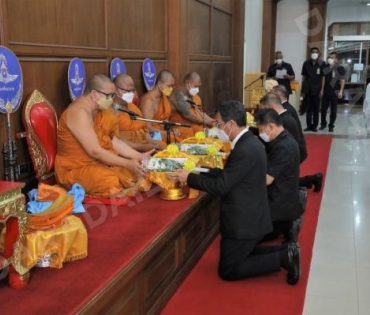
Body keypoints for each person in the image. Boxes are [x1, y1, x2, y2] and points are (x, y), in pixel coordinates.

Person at [168, 100, 300, 285]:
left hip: (244, 219)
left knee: (228, 270)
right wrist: (201, 170)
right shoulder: (248, 142)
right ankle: (286, 251)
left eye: (219, 124)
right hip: (251, 213)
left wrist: (188, 179)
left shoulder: (245, 148)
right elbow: (231, 174)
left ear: (230, 124)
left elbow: (222, 186)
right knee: (242, 254)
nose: (218, 129)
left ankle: (282, 258)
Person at [55, 74, 153, 198]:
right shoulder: (79, 112)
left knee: (131, 173)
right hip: (75, 169)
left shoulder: (100, 110)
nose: (112, 100)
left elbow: (113, 141)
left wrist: (138, 156)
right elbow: (95, 151)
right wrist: (127, 163)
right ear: (94, 94)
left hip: (97, 163)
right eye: (110, 96)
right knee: (111, 181)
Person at [254, 109, 303, 243]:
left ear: (270, 126)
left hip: (279, 202)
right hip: (281, 195)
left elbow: (266, 180)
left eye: (261, 130)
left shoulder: (283, 146)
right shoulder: (283, 138)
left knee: (248, 237)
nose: (260, 134)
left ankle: (288, 226)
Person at [261, 92, 322, 192]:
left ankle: (313, 179)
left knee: (282, 180)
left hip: (294, 153)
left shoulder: (285, 120)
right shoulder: (284, 115)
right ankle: (312, 179)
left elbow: (285, 144)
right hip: (292, 152)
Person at [113, 74, 165, 151]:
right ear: (115, 90)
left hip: (146, 141)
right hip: (127, 149)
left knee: (166, 145)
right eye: (127, 91)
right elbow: (115, 139)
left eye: (132, 90)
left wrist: (154, 143)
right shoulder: (110, 110)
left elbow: (144, 131)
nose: (131, 94)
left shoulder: (132, 107)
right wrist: (142, 147)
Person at [168, 71, 215, 139]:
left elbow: (200, 112)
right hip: (181, 129)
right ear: (187, 83)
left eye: (198, 87)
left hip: (194, 127)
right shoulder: (178, 94)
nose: (197, 89)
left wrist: (212, 121)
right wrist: (206, 122)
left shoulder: (193, 96)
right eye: (195, 86)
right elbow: (187, 114)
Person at [139, 69, 180, 143]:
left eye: (172, 86)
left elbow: (166, 119)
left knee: (183, 133)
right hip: (152, 133)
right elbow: (147, 127)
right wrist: (167, 133)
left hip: (163, 130)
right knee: (171, 140)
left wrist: (171, 130)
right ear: (160, 84)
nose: (171, 89)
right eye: (169, 86)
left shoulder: (163, 97)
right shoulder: (148, 100)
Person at [301, 47, 326, 132]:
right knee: (308, 108)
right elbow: (304, 77)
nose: (314, 54)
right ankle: (309, 125)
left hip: (317, 89)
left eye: (316, 52)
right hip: (308, 88)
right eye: (313, 52)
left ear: (318, 54)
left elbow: (323, 77)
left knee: (316, 109)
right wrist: (302, 90)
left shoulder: (322, 64)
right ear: (310, 53)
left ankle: (315, 126)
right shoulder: (306, 63)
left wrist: (322, 89)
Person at [320, 51, 346, 132]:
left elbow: (342, 80)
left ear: (336, 59)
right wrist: (322, 89)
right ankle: (323, 124)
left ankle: (331, 125)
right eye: (329, 57)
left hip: (335, 92)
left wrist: (341, 91)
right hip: (326, 92)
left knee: (333, 110)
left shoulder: (340, 68)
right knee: (323, 109)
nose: (330, 59)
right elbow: (323, 79)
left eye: (332, 58)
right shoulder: (326, 67)